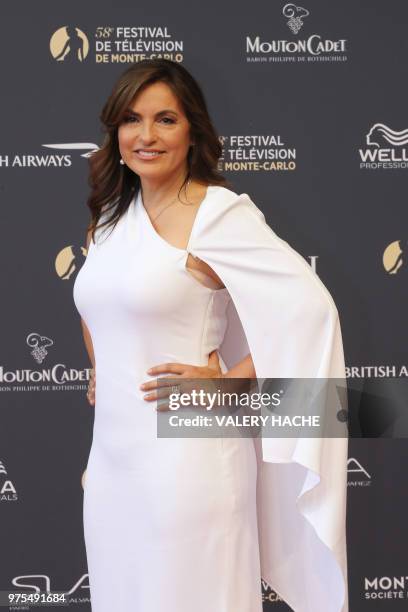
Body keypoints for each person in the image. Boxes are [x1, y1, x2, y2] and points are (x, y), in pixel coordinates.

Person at [73, 58, 348, 612]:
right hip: (111, 468)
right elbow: (96, 308)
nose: (145, 136)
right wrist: (105, 370)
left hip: (189, 462)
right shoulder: (108, 217)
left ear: (192, 129)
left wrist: (232, 381)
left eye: (165, 119)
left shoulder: (217, 214)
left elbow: (312, 312)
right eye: (131, 120)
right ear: (115, 131)